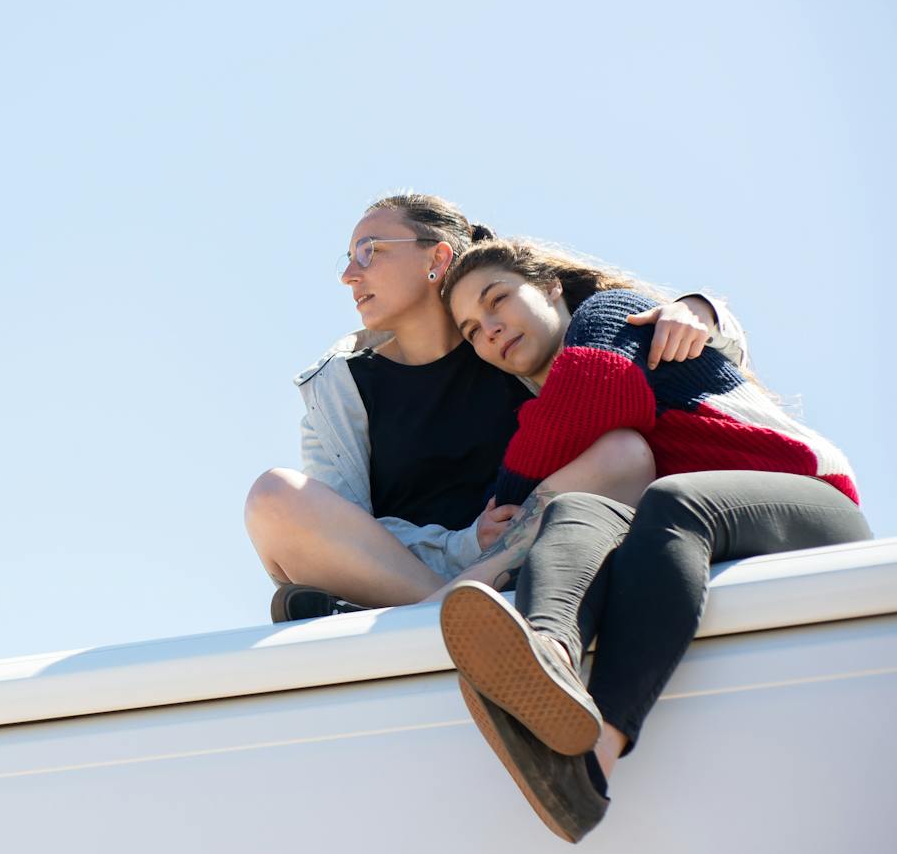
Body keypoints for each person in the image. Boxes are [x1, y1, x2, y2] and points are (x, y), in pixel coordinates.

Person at [436, 238, 869, 842]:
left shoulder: (610, 317)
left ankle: (600, 746)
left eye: (498, 300)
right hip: (696, 535)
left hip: (805, 499)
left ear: (552, 286)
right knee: (578, 512)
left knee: (673, 500)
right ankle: (550, 663)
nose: (490, 330)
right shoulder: (543, 410)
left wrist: (506, 498)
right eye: (472, 329)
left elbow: (596, 389)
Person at [245, 194, 743, 619]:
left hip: (533, 552)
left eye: (368, 251)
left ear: (435, 258)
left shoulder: (510, 337)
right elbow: (344, 526)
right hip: (404, 572)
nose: (349, 275)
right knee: (273, 497)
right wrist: (463, 546)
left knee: (625, 453)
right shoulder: (338, 385)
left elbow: (645, 350)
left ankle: (430, 620)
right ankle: (449, 617)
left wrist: (698, 310)